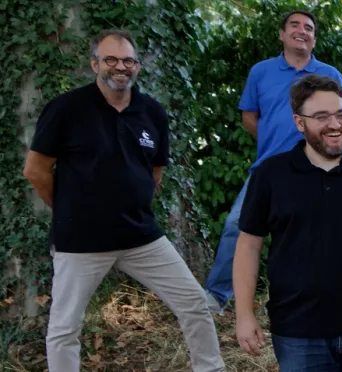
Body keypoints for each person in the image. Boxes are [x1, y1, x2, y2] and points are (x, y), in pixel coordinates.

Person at [23, 30, 225, 372]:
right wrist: (69, 210)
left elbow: (155, 171)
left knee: (194, 302)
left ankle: (211, 368)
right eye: (111, 59)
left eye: (128, 60)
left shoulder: (152, 112)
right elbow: (35, 170)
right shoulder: (67, 109)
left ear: (138, 67)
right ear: (95, 64)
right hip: (80, 241)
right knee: (64, 327)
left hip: (140, 236)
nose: (121, 67)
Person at [231, 74, 342, 370]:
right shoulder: (271, 175)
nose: (334, 124)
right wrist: (244, 314)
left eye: (341, 114)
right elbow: (248, 246)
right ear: (299, 122)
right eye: (321, 116)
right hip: (298, 333)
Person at [203, 10, 342, 314]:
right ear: (282, 34)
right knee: (238, 224)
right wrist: (274, 142)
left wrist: (326, 145)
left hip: (319, 169)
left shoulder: (330, 74)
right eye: (295, 25)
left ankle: (323, 298)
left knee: (320, 233)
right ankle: (216, 297)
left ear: (314, 37)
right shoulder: (261, 72)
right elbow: (249, 116)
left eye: (309, 27)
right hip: (269, 167)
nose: (302, 31)